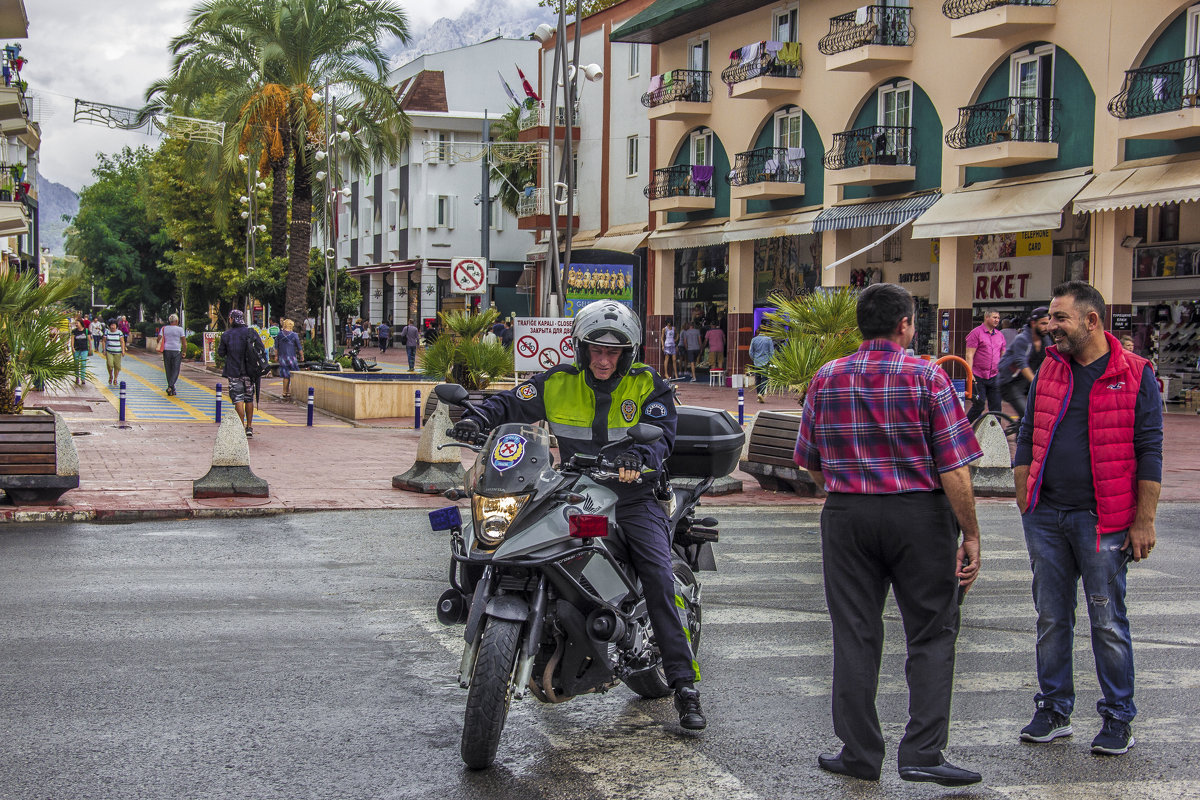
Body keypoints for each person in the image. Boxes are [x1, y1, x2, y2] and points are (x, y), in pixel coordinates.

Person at [450, 301, 706, 733]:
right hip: (568, 485)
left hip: (632, 494)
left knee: (658, 575)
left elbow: (661, 436)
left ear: (628, 354)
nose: (603, 360)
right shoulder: (558, 381)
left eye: (613, 353)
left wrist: (638, 456)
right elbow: (513, 403)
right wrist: (477, 416)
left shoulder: (649, 385)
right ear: (580, 349)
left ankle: (684, 686)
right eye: (595, 351)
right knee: (504, 536)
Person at [794, 283, 984, 787]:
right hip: (918, 515)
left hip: (847, 515)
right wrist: (971, 534)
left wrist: (848, 488)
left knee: (855, 632)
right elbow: (954, 468)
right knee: (933, 630)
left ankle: (859, 753)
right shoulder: (928, 376)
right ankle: (922, 751)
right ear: (905, 325)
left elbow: (810, 463)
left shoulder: (825, 377)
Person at [1013, 281, 1163, 756]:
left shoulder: (1137, 374)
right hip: (1047, 516)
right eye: (1049, 318)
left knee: (1107, 621)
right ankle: (1054, 709)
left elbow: (1150, 451)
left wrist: (1145, 520)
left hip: (1105, 520)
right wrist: (1024, 495)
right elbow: (1026, 436)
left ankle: (1118, 717)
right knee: (1052, 618)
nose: (1049, 326)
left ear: (1092, 321)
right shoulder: (1050, 371)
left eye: (1060, 318)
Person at [996, 307, 1051, 421]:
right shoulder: (1022, 339)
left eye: (1048, 323)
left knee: (1040, 411)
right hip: (1010, 382)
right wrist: (1038, 383)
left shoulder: (1045, 340)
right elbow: (1022, 364)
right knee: (1026, 415)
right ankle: (1021, 437)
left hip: (1026, 382)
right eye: (1043, 324)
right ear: (1033, 323)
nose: (1047, 327)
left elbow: (1050, 360)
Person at [217, 310, 263, 438]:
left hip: (234, 371)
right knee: (249, 399)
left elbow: (221, 353)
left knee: (238, 399)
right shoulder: (251, 332)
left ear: (232, 319)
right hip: (250, 372)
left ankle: (240, 427)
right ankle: (249, 427)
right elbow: (261, 348)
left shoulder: (227, 335)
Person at [965, 309, 1006, 425]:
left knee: (996, 407)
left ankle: (995, 434)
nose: (997, 320)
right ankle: (964, 427)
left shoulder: (1000, 335)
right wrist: (969, 373)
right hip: (978, 375)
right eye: (994, 317)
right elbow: (969, 354)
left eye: (998, 318)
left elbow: (1003, 355)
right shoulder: (976, 333)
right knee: (979, 405)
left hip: (994, 375)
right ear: (986, 318)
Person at [159, 314, 186, 396]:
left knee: (168, 370)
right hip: (177, 351)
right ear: (177, 321)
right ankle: (170, 386)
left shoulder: (164, 328)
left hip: (166, 350)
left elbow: (159, 339)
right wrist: (184, 351)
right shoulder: (180, 329)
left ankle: (171, 388)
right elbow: (184, 342)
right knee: (175, 370)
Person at [275, 318, 302, 400]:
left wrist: (276, 356)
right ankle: (290, 391)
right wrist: (302, 356)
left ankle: (284, 391)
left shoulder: (279, 334)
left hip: (283, 357)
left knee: (285, 375)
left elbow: (276, 347)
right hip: (292, 358)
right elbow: (299, 347)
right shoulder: (294, 335)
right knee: (293, 374)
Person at [749, 327, 774, 403]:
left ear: (758, 331)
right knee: (764, 379)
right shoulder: (769, 339)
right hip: (765, 362)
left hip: (757, 362)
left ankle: (758, 393)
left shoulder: (754, 339)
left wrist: (754, 359)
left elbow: (750, 352)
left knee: (757, 378)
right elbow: (771, 352)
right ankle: (761, 394)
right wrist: (770, 360)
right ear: (765, 331)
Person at [103, 318, 126, 386]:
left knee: (117, 366)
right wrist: (104, 350)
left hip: (117, 351)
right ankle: (110, 375)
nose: (112, 327)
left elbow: (122, 341)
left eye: (114, 325)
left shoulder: (119, 332)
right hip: (109, 351)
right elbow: (104, 341)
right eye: (111, 325)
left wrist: (123, 350)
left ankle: (115, 378)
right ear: (109, 326)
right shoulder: (107, 332)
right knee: (110, 365)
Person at [71, 318, 92, 387]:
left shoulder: (86, 331)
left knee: (83, 363)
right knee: (76, 363)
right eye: (75, 323)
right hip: (76, 349)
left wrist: (90, 349)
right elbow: (72, 340)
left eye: (77, 323)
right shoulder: (74, 331)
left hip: (84, 349)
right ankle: (77, 377)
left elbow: (89, 340)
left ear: (81, 323)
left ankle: (82, 378)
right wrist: (72, 348)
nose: (76, 324)